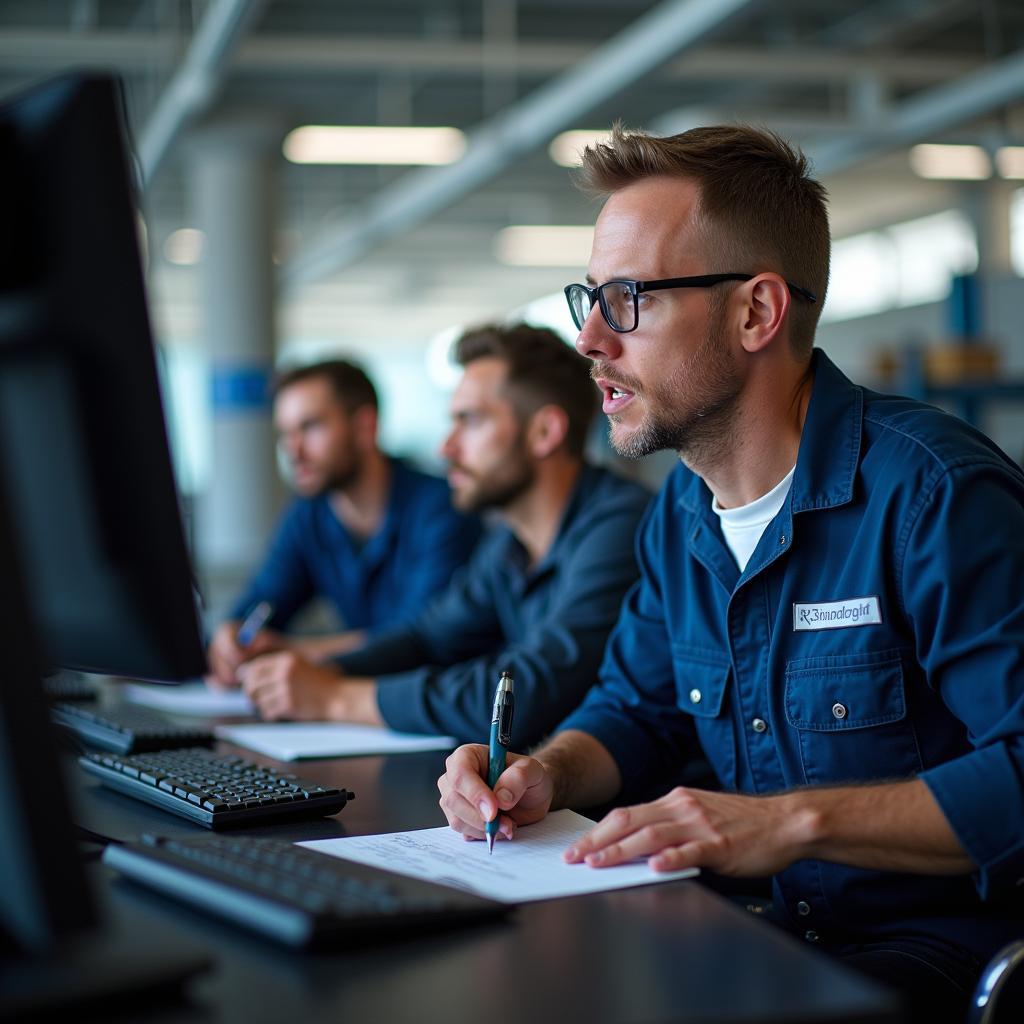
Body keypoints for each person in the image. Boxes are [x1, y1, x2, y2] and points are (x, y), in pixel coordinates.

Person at [437, 125, 1024, 1023]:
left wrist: (788, 823)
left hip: (935, 950)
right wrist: (543, 773)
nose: (592, 339)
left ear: (756, 313)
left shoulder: (936, 497)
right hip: (749, 925)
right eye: (589, 299)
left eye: (628, 299)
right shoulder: (680, 514)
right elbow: (636, 710)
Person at [236, 323, 651, 747]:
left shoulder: (621, 528)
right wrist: (318, 673)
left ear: (544, 432)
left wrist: (333, 699)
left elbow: (521, 696)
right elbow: (424, 639)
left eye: (468, 422)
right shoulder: (509, 545)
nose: (446, 448)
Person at [207, 358, 480, 684]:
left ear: (365, 426)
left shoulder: (442, 507)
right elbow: (261, 603)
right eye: (285, 433)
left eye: (310, 427)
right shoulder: (307, 514)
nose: (293, 450)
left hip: (436, 705)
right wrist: (230, 641)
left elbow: (419, 639)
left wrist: (297, 652)